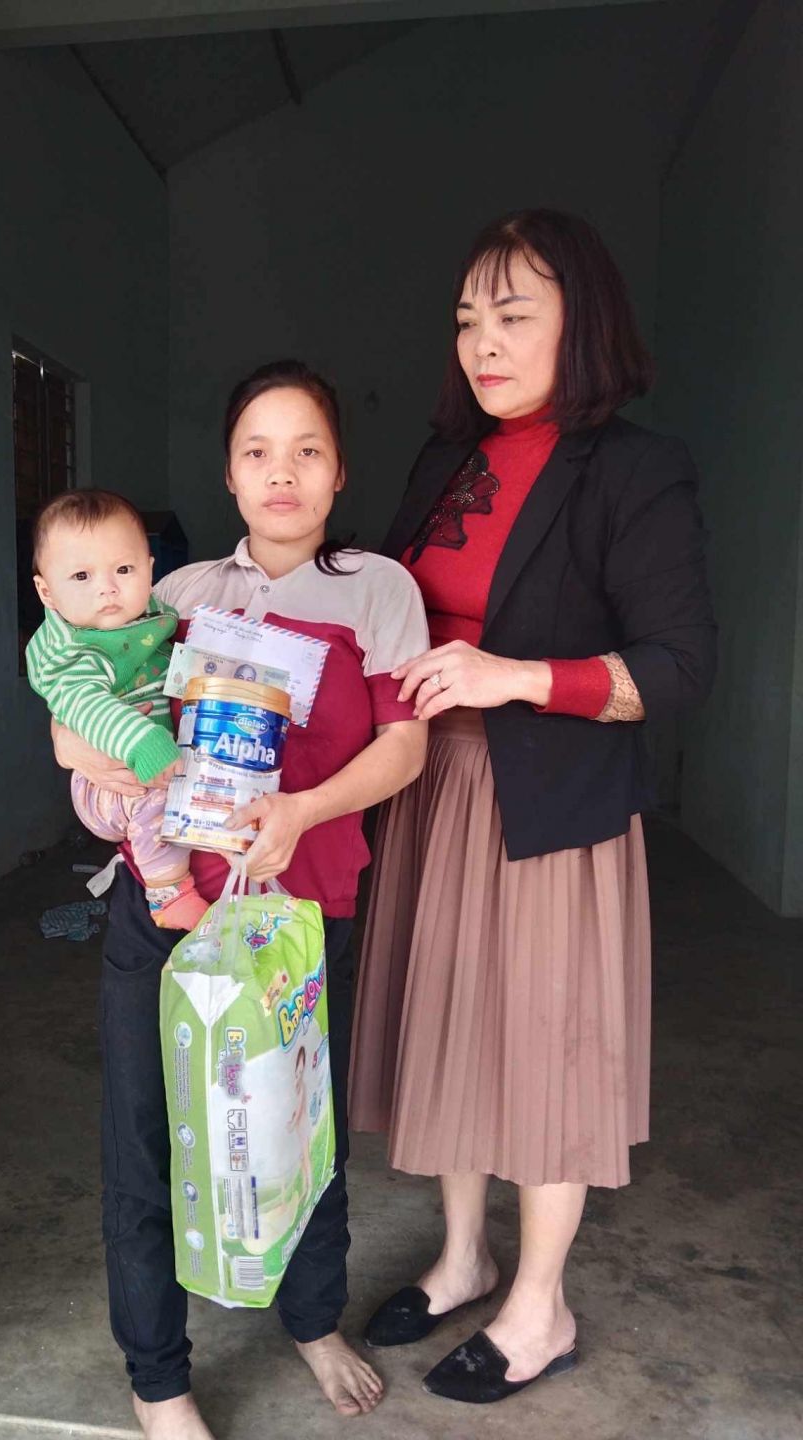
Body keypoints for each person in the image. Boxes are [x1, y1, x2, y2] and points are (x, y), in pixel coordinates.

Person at [349, 209, 716, 1405]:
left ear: (583, 324)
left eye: (513, 316)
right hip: (431, 792)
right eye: (468, 320)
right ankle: (462, 1256)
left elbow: (677, 667)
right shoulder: (447, 458)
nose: (483, 344)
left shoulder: (636, 470)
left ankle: (540, 1304)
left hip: (548, 806)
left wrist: (512, 678)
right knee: (451, 1026)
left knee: (543, 1049)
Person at [51, 360, 429, 1440]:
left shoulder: (377, 591)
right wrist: (101, 759)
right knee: (145, 1140)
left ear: (339, 472)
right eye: (258, 452)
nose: (282, 473)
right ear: (229, 473)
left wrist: (302, 809)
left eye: (307, 451)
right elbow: (73, 702)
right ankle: (158, 1379)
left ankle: (312, 1321)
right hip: (167, 913)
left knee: (302, 1129)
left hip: (303, 915)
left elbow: (405, 747)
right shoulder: (174, 596)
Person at [26, 489, 208, 930]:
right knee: (157, 795)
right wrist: (145, 743)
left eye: (124, 570)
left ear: (150, 569)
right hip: (108, 783)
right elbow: (84, 705)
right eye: (81, 576)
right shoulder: (74, 651)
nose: (107, 587)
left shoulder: (146, 616)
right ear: (47, 592)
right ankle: (168, 893)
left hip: (145, 767)